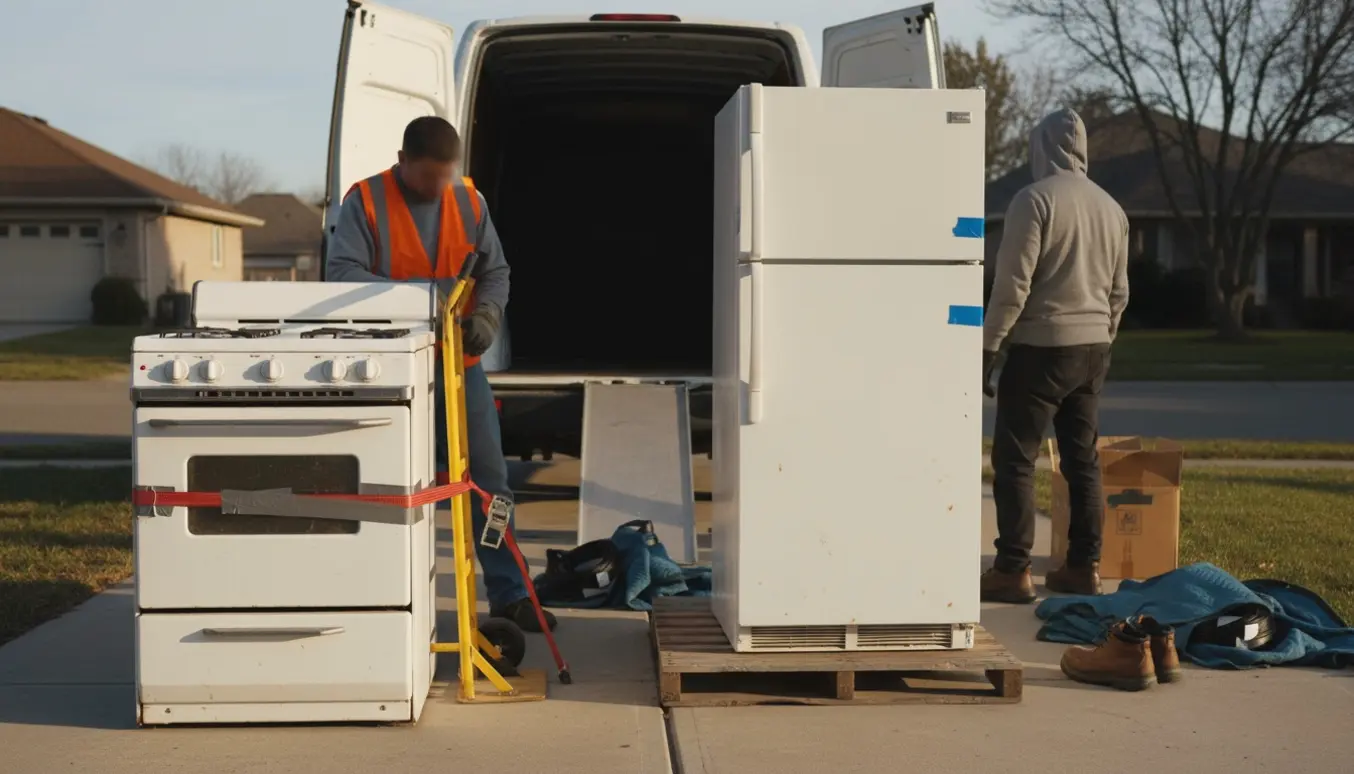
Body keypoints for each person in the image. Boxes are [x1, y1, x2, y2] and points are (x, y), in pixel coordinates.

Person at [327, 116, 556, 632]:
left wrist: (488, 315)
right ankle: (379, 600)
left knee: (490, 484)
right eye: (428, 176)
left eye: (445, 176)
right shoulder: (365, 202)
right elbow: (341, 275)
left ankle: (512, 593)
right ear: (402, 161)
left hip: (459, 366)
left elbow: (496, 271)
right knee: (385, 483)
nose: (437, 187)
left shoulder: (470, 202)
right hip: (388, 370)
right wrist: (427, 298)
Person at [979, 108, 1130, 604]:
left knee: (1016, 459)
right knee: (1082, 461)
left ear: (1041, 147)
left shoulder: (1034, 200)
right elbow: (1119, 293)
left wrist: (988, 347)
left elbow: (1012, 287)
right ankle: (1083, 568)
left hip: (1040, 350)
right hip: (1093, 350)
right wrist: (1102, 338)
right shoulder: (1113, 209)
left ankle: (1012, 570)